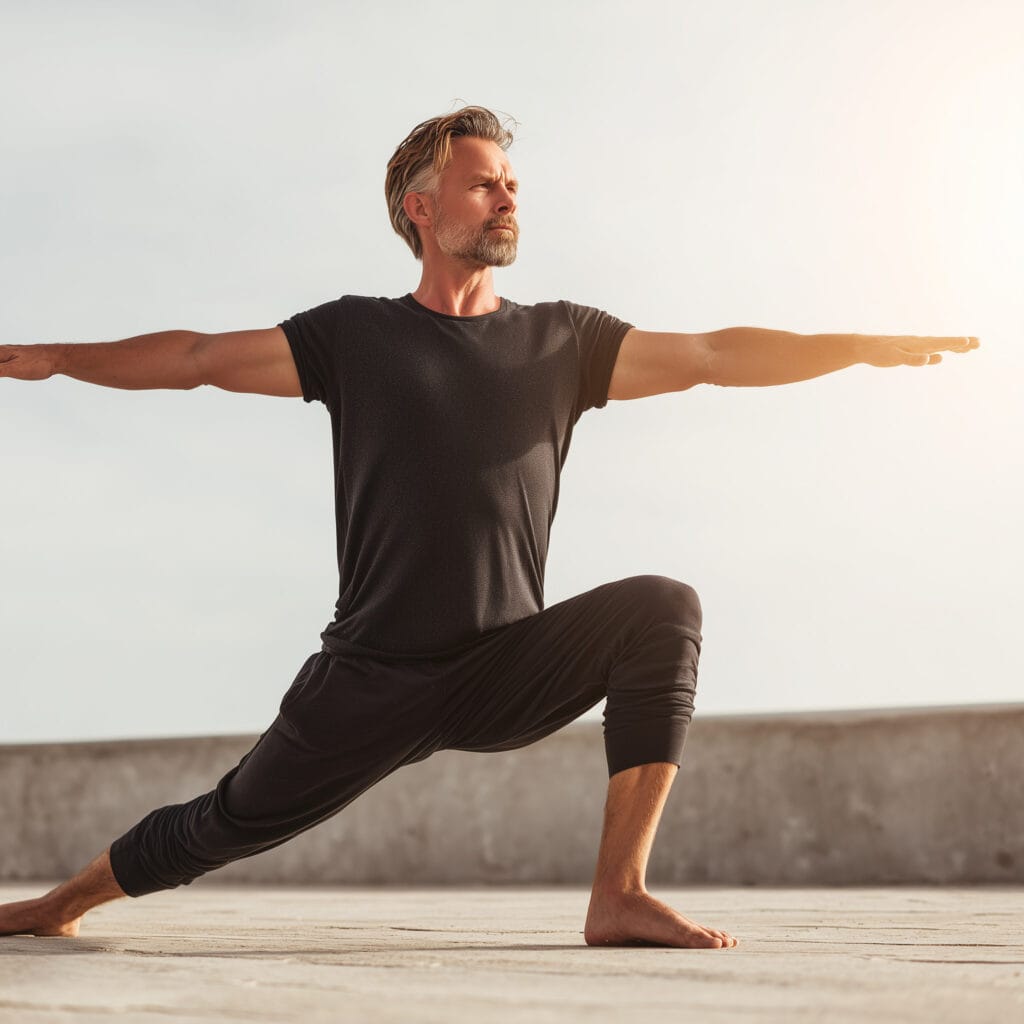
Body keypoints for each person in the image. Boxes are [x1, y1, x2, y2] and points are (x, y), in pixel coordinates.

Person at [0, 106, 978, 949]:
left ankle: (619, 894)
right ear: (420, 209)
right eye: (482, 184)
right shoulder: (356, 336)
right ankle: (58, 905)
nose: (507, 197)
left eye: (512, 184)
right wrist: (54, 357)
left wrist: (852, 347)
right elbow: (199, 358)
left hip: (503, 666)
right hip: (374, 673)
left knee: (661, 609)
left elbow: (715, 355)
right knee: (225, 821)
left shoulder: (564, 341)